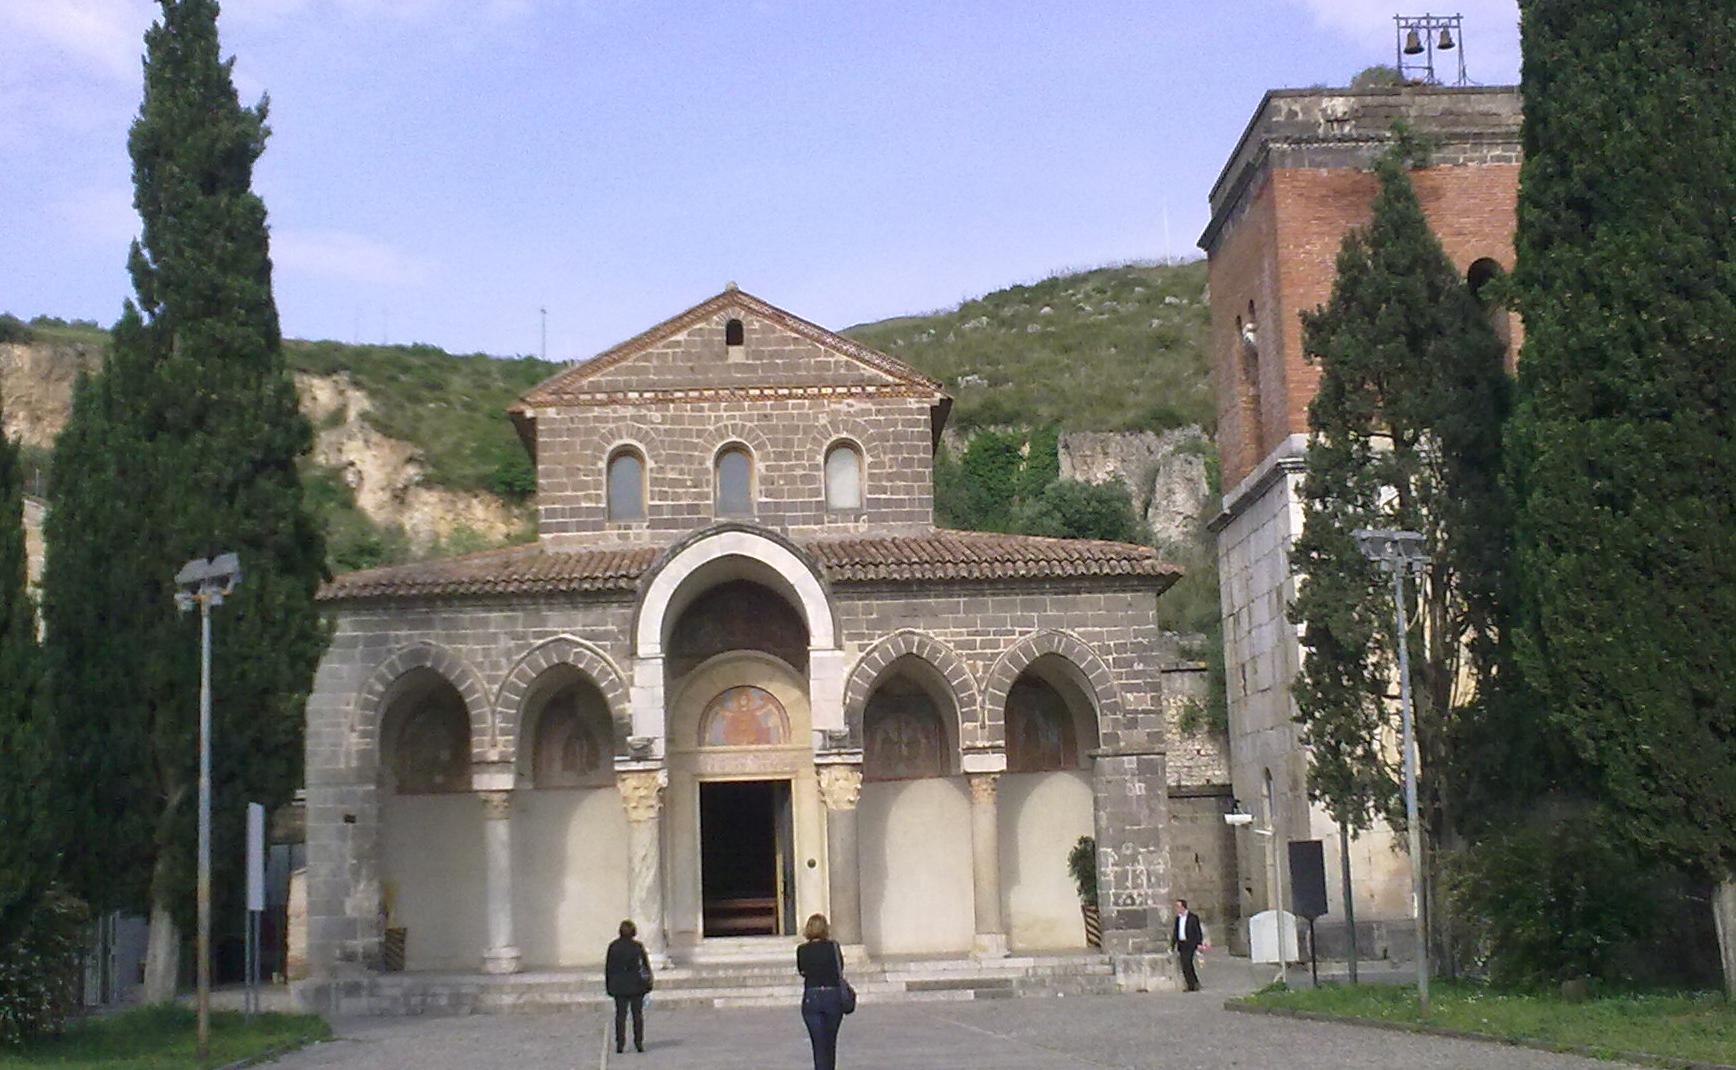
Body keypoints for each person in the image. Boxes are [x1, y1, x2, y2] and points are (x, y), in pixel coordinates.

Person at [796, 913, 847, 1070]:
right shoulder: (833, 947)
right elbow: (840, 968)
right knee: (830, 1042)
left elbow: (802, 970)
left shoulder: (802, 950)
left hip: (812, 996)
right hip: (832, 996)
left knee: (818, 1045)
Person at [604, 919, 653, 1053]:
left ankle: (620, 1043)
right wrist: (648, 983)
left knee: (620, 1015)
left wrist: (609, 985)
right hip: (636, 985)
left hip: (619, 986)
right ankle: (638, 1042)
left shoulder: (613, 946)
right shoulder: (637, 947)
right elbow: (644, 966)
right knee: (637, 1015)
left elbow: (609, 968)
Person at [1171, 898, 1209, 992]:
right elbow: (1176, 932)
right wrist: (1172, 944)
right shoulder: (1178, 918)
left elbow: (1197, 931)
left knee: (1187, 962)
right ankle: (1193, 983)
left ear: (1183, 907)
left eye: (1178, 906)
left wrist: (1199, 943)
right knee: (1185, 965)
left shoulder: (1193, 917)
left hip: (1190, 944)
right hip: (1182, 944)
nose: (1176, 908)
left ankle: (1192, 984)